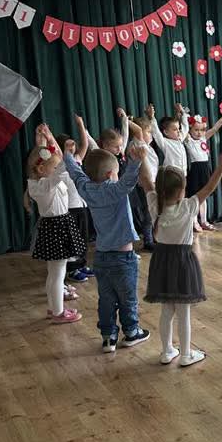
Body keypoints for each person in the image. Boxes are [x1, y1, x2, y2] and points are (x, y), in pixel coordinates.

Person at [59, 121, 150, 353]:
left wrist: (68, 155)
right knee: (128, 298)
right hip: (123, 258)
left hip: (101, 258)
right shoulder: (115, 190)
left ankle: (108, 337)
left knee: (106, 299)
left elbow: (76, 174)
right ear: (111, 174)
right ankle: (131, 332)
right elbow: (129, 181)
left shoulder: (87, 189)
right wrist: (137, 161)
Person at [141, 153, 222, 368]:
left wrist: (141, 159)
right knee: (183, 311)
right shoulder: (188, 206)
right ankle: (186, 354)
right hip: (182, 262)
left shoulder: (155, 204)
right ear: (181, 190)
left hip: (161, 261)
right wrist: (221, 167)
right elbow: (209, 188)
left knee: (167, 310)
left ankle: (166, 351)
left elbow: (146, 181)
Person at [26, 125, 85, 325]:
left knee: (54, 273)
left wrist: (45, 139)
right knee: (58, 274)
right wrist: (65, 152)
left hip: (55, 226)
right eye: (53, 167)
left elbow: (49, 160)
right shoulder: (43, 184)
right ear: (41, 169)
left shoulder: (41, 180)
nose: (56, 169)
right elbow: (60, 169)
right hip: (57, 227)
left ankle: (54, 308)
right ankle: (59, 313)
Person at [55, 120, 95, 284]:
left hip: (82, 206)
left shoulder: (77, 159)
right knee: (72, 240)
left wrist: (80, 125)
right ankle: (72, 269)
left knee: (83, 238)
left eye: (72, 144)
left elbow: (84, 144)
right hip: (69, 208)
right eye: (67, 146)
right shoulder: (59, 163)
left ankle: (81, 264)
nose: (72, 147)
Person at [184, 114, 222, 231]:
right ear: (190, 129)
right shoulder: (188, 140)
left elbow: (214, 129)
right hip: (195, 170)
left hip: (206, 169)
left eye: (202, 130)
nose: (199, 133)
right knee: (195, 197)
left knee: (204, 196)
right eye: (196, 130)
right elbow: (184, 129)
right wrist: (182, 116)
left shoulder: (203, 138)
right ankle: (194, 221)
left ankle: (204, 221)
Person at [128, 115, 158, 252]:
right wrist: (127, 120)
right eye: (148, 132)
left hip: (152, 182)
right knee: (148, 212)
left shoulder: (147, 146)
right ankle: (148, 240)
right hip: (144, 184)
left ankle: (153, 237)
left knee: (152, 211)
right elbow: (138, 131)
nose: (151, 135)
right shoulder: (137, 144)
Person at [147, 103, 189, 174]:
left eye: (178, 128)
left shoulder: (180, 139)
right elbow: (156, 133)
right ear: (166, 132)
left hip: (183, 174)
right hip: (171, 174)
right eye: (175, 129)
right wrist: (152, 117)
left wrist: (182, 112)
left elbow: (185, 127)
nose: (178, 131)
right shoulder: (165, 142)